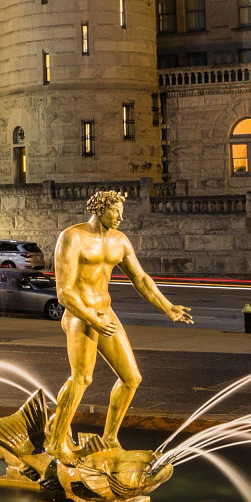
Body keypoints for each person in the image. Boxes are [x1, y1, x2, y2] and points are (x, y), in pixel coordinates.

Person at [48, 190, 193, 457]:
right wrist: (92, 319)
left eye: (121, 212)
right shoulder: (72, 237)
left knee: (131, 378)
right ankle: (56, 443)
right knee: (82, 377)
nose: (120, 217)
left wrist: (167, 307)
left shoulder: (120, 241)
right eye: (115, 212)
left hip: (105, 312)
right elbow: (64, 292)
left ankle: (111, 439)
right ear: (99, 209)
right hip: (81, 315)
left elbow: (141, 279)